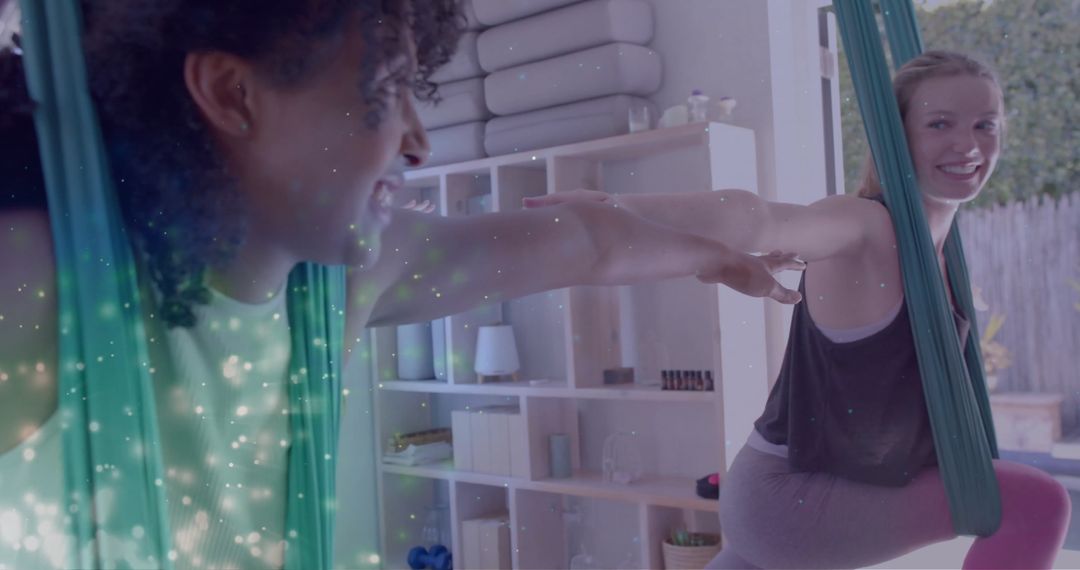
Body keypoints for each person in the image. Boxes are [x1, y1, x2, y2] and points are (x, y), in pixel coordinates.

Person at [0, 1, 803, 568]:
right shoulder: (42, 283)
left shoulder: (340, 279)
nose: (417, 142)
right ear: (230, 93)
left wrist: (709, 253)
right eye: (384, 91)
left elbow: (587, 240)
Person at [525, 50, 1072, 569]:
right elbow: (758, 219)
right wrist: (620, 208)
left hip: (776, 490)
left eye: (986, 125)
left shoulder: (943, 251)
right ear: (895, 137)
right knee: (1034, 503)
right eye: (939, 124)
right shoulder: (866, 225)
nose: (968, 145)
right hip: (797, 497)